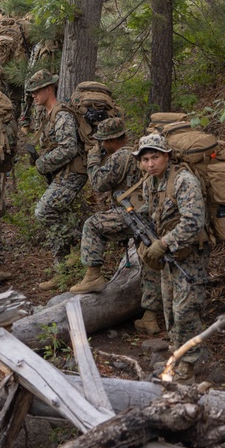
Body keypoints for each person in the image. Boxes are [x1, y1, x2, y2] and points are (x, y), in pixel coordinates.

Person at [68, 118, 164, 334]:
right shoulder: (140, 154)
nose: (101, 145)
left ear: (112, 140)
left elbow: (99, 183)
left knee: (92, 225)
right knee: (149, 263)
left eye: (103, 141)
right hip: (153, 214)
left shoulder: (121, 155)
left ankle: (93, 276)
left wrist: (93, 160)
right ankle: (150, 317)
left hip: (133, 214)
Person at [136, 133, 208, 382]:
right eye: (145, 159)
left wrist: (163, 243)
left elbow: (194, 221)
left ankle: (187, 367)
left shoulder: (184, 180)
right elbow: (152, 213)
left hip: (189, 256)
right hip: (167, 257)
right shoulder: (149, 182)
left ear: (166, 156)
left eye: (155, 157)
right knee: (169, 310)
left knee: (185, 310)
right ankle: (176, 358)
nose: (150, 164)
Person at [25, 69, 87, 290]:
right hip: (61, 174)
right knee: (58, 219)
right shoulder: (47, 115)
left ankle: (83, 243)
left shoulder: (62, 115)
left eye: (36, 91)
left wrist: (42, 163)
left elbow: (68, 148)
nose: (33, 96)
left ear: (48, 89)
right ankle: (62, 274)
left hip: (72, 174)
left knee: (43, 212)